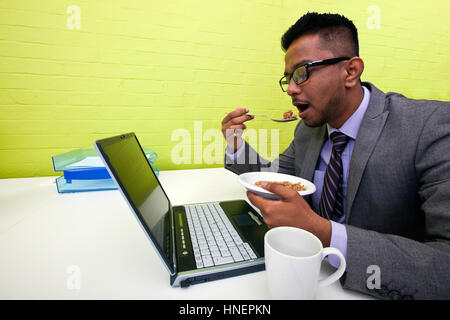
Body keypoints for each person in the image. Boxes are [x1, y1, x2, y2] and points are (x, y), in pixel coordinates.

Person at [221, 12, 450, 300]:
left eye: (302, 72)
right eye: (288, 78)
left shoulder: (430, 127)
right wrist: (235, 144)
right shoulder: (309, 130)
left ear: (350, 71)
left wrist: (323, 232)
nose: (291, 88)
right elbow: (272, 176)